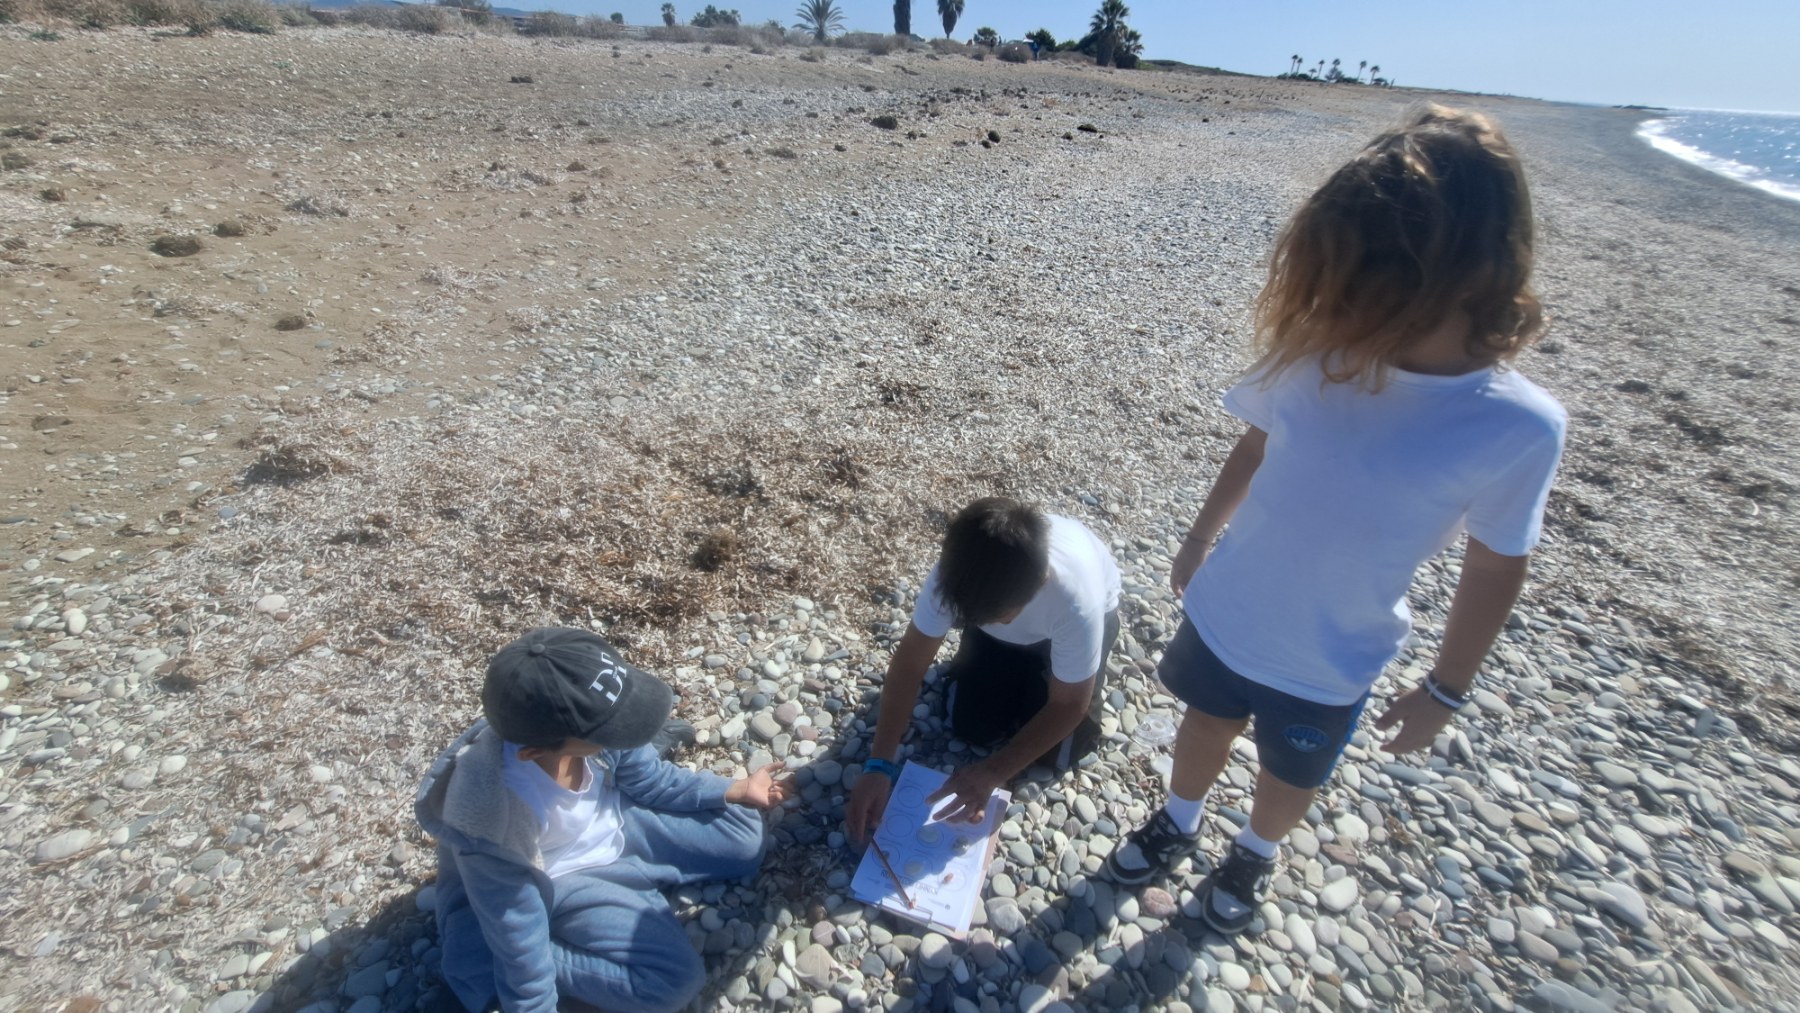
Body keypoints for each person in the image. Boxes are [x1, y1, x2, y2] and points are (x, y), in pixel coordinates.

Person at [1105, 105, 1567, 937]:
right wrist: (1199, 537)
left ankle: (1254, 851)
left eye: (1354, 279)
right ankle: (1178, 816)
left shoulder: (1515, 425)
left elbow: (1496, 562)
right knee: (1203, 721)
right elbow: (1255, 443)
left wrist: (1446, 687)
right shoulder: (1318, 352)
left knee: (1291, 773)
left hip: (1329, 654)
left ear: (1458, 273)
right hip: (1227, 608)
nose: (1332, 300)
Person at [415, 627, 792, 1012]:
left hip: (619, 823)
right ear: (533, 753)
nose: (624, 733)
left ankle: (640, 878)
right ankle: (491, 950)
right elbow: (519, 936)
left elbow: (651, 779)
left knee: (744, 838)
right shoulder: (493, 822)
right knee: (673, 983)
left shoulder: (595, 725)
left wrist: (736, 789)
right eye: (612, 730)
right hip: (563, 878)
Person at [846, 497, 1122, 844]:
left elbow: (1068, 705)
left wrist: (993, 772)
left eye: (998, 617)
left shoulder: (1076, 602)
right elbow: (910, 662)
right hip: (1000, 620)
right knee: (971, 727)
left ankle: (1056, 669)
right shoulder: (955, 575)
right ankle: (1009, 668)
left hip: (1066, 627)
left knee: (1058, 753)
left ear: (1040, 582)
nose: (986, 621)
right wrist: (879, 764)